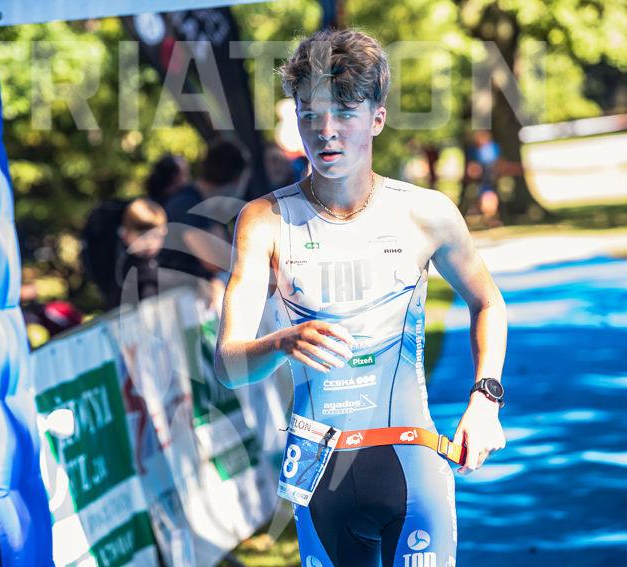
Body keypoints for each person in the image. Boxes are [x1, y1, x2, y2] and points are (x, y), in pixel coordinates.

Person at [214, 29, 507, 567]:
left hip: (412, 463)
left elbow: (487, 301)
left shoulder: (424, 212)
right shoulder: (264, 220)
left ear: (377, 117)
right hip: (319, 474)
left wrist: (485, 399)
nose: (325, 131)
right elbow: (228, 367)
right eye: (309, 114)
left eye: (345, 113)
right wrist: (281, 342)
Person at [157, 138, 251, 305]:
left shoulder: (202, 204)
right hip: (173, 304)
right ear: (238, 180)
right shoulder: (186, 203)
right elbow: (217, 260)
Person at [115, 197, 167, 304]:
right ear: (125, 235)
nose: (149, 242)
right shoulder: (129, 267)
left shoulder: (157, 259)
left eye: (155, 235)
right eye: (141, 236)